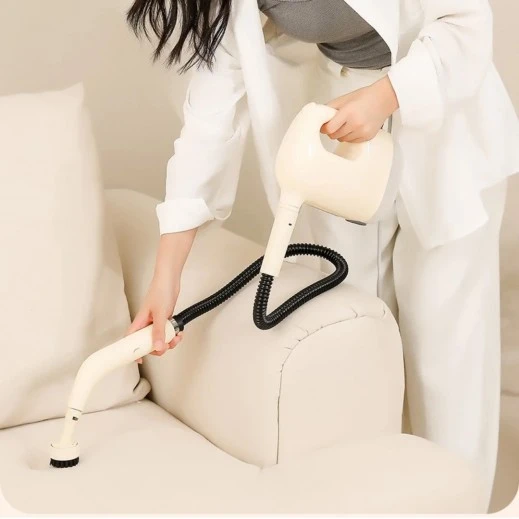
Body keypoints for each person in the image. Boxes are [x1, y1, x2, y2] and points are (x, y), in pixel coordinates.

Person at [125, 0, 519, 508]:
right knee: (354, 340)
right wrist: (166, 278)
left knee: (447, 356)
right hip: (340, 125)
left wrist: (387, 95)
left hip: (443, 114)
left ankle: (459, 505)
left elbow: (467, 22)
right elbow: (208, 126)